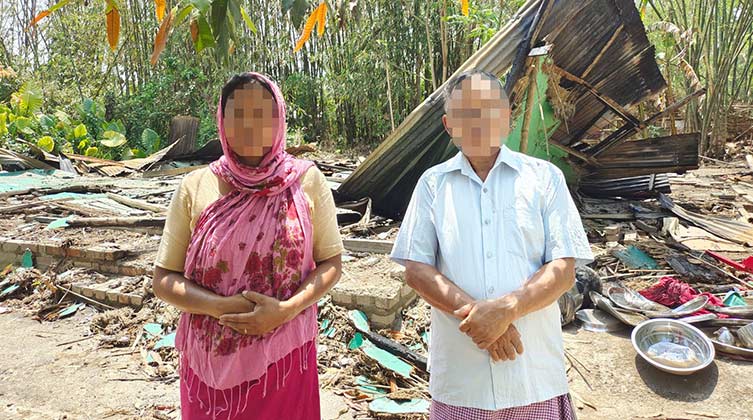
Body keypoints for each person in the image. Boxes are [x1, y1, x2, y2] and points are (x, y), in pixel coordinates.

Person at [390, 69, 593, 420]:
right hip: (461, 380)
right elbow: (417, 270)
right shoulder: (432, 185)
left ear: (507, 116)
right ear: (448, 124)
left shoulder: (545, 179)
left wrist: (508, 311)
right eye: (465, 112)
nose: (478, 120)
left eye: (488, 109)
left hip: (533, 376)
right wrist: (483, 318)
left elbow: (563, 270)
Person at [152, 72, 344, 420]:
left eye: (261, 113)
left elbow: (331, 263)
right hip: (209, 369)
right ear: (221, 121)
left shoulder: (306, 181)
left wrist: (286, 310)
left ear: (279, 119)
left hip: (285, 361)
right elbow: (164, 278)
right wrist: (219, 306)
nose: (249, 124)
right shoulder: (196, 186)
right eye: (238, 113)